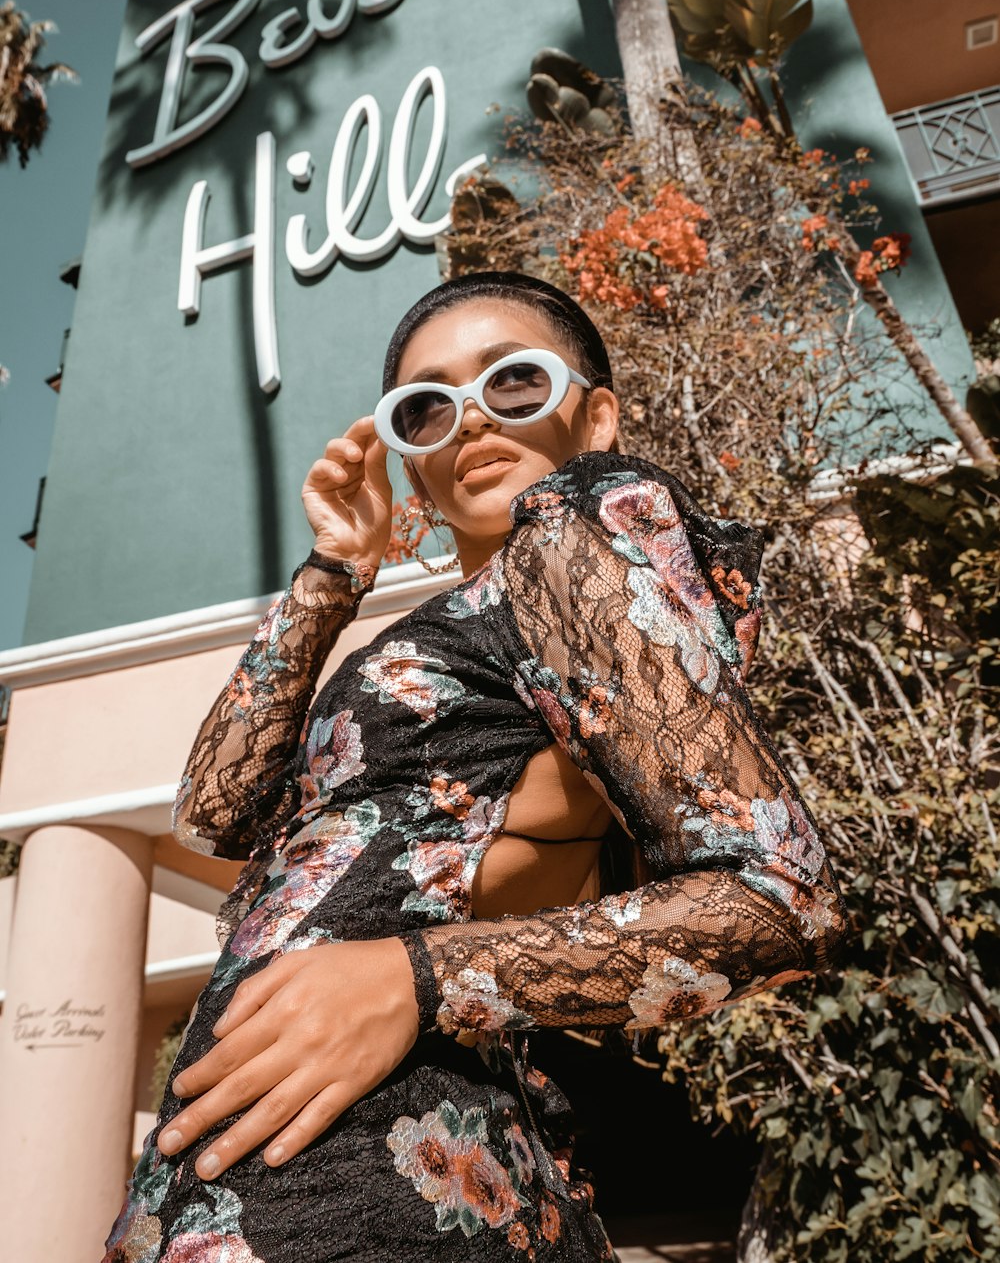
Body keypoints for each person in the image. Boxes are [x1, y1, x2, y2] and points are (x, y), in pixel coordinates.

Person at [102, 270, 848, 1262]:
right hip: (257, 1170)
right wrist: (334, 574)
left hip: (372, 1171)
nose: (470, 421)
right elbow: (215, 815)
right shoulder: (471, 618)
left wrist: (414, 979)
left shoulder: (575, 528)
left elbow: (780, 901)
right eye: (426, 406)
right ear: (412, 460)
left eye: (513, 383)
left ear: (594, 421)